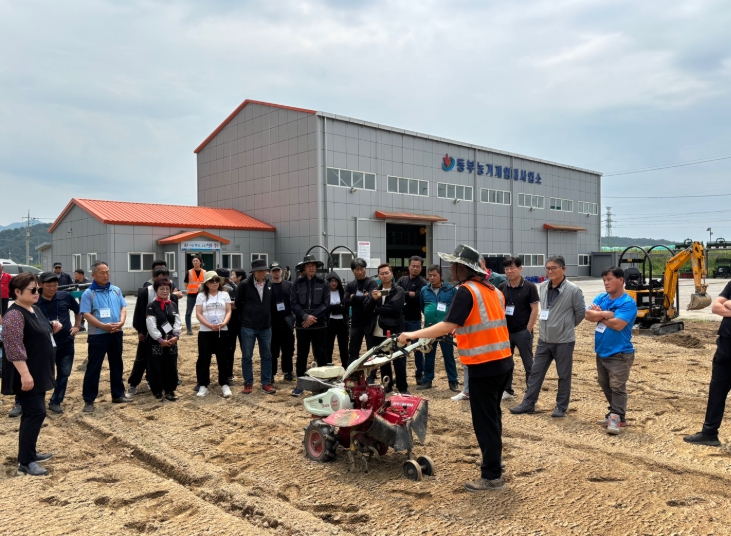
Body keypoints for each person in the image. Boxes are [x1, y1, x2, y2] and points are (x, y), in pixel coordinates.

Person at [399, 244, 513, 492]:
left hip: (484, 365)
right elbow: (479, 322)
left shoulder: (466, 291)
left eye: (453, 264)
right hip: (503, 362)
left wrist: (412, 334)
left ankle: (492, 476)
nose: (450, 269)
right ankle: (494, 460)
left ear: (463, 268)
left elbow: (447, 324)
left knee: (484, 422)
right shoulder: (493, 290)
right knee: (493, 418)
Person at [510, 256, 586, 418]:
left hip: (564, 340)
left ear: (563, 269)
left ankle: (561, 407)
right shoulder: (543, 286)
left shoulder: (573, 290)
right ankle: (528, 403)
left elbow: (580, 313)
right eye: (548, 268)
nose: (550, 271)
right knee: (536, 372)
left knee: (563, 375)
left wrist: (566, 326)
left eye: (553, 268)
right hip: (544, 339)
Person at [1, 273, 61, 476]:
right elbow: (13, 347)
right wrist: (25, 374)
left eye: (38, 289)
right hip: (26, 373)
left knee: (33, 413)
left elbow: (37, 331)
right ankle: (26, 462)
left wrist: (52, 328)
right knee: (35, 413)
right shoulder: (14, 315)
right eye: (32, 290)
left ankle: (30, 453)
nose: (37, 292)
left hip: (38, 370)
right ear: (17, 292)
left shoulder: (34, 309)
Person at [584, 267, 637, 434]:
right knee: (604, 383)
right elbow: (587, 315)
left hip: (620, 353)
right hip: (602, 351)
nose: (606, 283)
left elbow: (618, 325)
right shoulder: (601, 297)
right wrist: (608, 314)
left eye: (609, 279)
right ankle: (615, 413)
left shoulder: (627, 302)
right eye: (604, 280)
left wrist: (600, 315)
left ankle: (616, 417)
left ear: (621, 280)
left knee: (617, 386)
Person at [684, 279, 731, 446]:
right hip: (725, 347)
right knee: (717, 392)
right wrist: (726, 304)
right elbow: (716, 307)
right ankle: (709, 433)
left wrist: (728, 304)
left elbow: (724, 305)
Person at [80, 261, 131, 413]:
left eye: (107, 272)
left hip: (116, 333)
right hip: (98, 335)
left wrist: (121, 322)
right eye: (102, 273)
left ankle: (118, 394)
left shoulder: (116, 290)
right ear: (93, 275)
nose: (106, 275)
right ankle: (89, 400)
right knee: (94, 367)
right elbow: (86, 314)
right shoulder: (88, 293)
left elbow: (123, 307)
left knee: (117, 364)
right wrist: (103, 326)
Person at [126, 266, 179, 398]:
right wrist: (140, 331)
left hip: (169, 336)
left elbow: (175, 319)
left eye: (166, 278)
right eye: (160, 278)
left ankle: (168, 387)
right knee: (143, 359)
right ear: (154, 278)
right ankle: (134, 384)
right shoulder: (145, 292)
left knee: (169, 362)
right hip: (150, 334)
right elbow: (139, 313)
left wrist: (176, 335)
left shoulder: (172, 299)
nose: (164, 282)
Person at [36, 272, 82, 414]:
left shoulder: (65, 296)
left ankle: (56, 401)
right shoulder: (35, 300)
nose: (52, 288)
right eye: (49, 286)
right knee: (41, 374)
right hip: (44, 345)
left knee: (64, 373)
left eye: (55, 285)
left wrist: (77, 326)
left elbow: (78, 310)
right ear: (40, 285)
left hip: (66, 342)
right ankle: (33, 402)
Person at [497, 256, 539, 402]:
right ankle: (507, 390)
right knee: (506, 363)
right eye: (506, 268)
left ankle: (531, 393)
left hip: (523, 331)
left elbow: (534, 310)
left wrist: (528, 329)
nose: (509, 271)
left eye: (512, 268)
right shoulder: (502, 287)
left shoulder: (529, 287)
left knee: (528, 364)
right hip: (506, 332)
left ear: (520, 269)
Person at [290, 255, 330, 396]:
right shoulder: (297, 283)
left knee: (321, 354)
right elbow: (293, 303)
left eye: (313, 265)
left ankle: (323, 384)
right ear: (304, 268)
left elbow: (326, 304)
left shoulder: (324, 283)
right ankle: (301, 384)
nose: (311, 268)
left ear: (316, 267)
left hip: (320, 325)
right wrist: (305, 316)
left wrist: (313, 317)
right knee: (302, 354)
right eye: (308, 265)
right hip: (303, 325)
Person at [365, 263, 407, 393]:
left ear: (392, 274)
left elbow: (394, 307)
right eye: (381, 274)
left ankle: (402, 388)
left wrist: (376, 310)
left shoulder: (398, 290)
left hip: (395, 329)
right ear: (378, 276)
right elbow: (366, 308)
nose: (384, 276)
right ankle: (387, 386)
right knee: (383, 360)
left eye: (387, 273)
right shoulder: (375, 291)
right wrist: (372, 299)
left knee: (399, 359)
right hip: (377, 330)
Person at [235, 259, 275, 395]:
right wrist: (247, 315)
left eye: (264, 270)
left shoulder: (270, 284)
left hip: (266, 326)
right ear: (254, 272)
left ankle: (266, 382)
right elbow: (238, 303)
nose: (263, 273)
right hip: (248, 326)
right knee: (247, 356)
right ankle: (248, 382)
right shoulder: (244, 285)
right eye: (260, 271)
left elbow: (272, 304)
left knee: (267, 355)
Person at [418, 264, 459, 391]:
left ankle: (453, 381)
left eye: (434, 275)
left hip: (445, 328)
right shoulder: (424, 290)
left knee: (449, 356)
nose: (432, 278)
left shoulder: (451, 289)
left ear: (440, 275)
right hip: (429, 328)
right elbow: (422, 307)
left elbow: (455, 307)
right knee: (428, 355)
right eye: (429, 275)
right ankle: (427, 380)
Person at [195, 271, 232, 398]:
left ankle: (224, 384)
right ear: (206, 283)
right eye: (211, 281)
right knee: (204, 358)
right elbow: (198, 313)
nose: (215, 283)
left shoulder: (224, 294)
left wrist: (224, 323)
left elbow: (228, 311)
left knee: (223, 358)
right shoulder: (201, 296)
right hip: (205, 331)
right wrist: (209, 325)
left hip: (222, 330)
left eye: (216, 280)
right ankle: (203, 384)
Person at [145, 278, 182, 401]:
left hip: (171, 341)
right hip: (156, 341)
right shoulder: (151, 306)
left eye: (167, 289)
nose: (165, 291)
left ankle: (170, 390)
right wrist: (160, 340)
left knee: (171, 364)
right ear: (156, 290)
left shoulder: (173, 304)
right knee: (156, 365)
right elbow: (151, 324)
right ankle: (157, 390)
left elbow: (177, 321)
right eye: (162, 289)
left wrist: (176, 336)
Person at [397, 256, 427, 385]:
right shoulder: (402, 280)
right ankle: (401, 375)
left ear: (421, 268)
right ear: (409, 267)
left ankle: (419, 374)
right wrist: (409, 293)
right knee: (400, 349)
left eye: (418, 266)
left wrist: (404, 293)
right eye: (413, 266)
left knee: (417, 349)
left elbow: (419, 297)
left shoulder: (423, 283)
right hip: (400, 320)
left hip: (414, 320)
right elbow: (396, 293)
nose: (415, 268)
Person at [343, 258, 378, 365]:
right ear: (353, 271)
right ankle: (353, 371)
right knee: (353, 350)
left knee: (371, 350)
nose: (360, 272)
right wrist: (364, 297)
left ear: (365, 269)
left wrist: (354, 297)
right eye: (357, 269)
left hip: (369, 321)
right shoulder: (351, 285)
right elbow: (345, 301)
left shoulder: (371, 283)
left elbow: (371, 299)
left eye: (362, 269)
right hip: (355, 323)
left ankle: (371, 373)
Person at [269, 262, 295, 382]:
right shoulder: (267, 286)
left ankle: (288, 371)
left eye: (278, 270)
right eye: (274, 271)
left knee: (288, 350)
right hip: (272, 323)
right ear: (270, 272)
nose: (276, 273)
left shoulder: (289, 285)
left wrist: (293, 318)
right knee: (272, 351)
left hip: (287, 322)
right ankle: (271, 373)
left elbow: (294, 302)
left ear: (282, 271)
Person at [216, 268, 237, 385]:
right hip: (213, 324)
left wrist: (232, 283)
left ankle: (229, 374)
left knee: (229, 350)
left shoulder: (229, 289)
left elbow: (238, 296)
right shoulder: (209, 288)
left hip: (229, 323)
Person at [325, 271, 349, 367]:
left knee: (344, 346)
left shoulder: (342, 293)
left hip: (342, 322)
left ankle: (345, 366)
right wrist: (337, 307)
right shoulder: (325, 293)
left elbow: (346, 307)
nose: (334, 283)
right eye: (331, 281)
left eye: (335, 281)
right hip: (330, 322)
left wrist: (333, 308)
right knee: (328, 346)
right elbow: (326, 308)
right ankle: (328, 366)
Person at [184, 256, 205, 335]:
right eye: (194, 261)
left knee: (203, 312)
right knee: (188, 312)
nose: (195, 262)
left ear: (200, 262)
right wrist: (190, 289)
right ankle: (189, 329)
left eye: (196, 261)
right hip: (191, 295)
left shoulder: (204, 272)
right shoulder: (189, 272)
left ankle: (204, 327)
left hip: (202, 295)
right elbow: (186, 283)